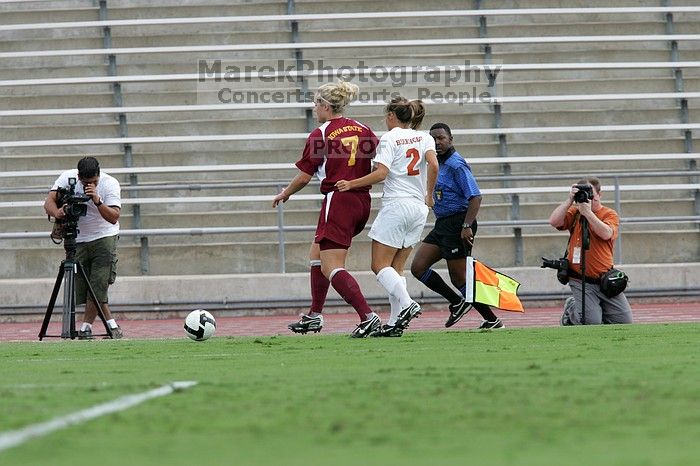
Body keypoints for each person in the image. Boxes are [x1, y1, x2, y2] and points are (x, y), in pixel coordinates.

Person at [274, 80, 382, 338]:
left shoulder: (320, 134)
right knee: (316, 254)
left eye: (316, 104)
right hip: (361, 200)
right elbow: (380, 160)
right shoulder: (363, 128)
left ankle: (368, 316)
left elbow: (304, 176)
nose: (314, 108)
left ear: (326, 106)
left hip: (339, 199)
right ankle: (314, 314)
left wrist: (285, 193)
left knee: (331, 266)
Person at [336, 97, 439, 337]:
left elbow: (381, 173)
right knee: (396, 268)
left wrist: (350, 184)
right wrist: (429, 195)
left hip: (397, 205)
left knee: (379, 265)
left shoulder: (390, 138)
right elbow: (433, 165)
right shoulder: (424, 137)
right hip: (418, 207)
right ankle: (394, 323)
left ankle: (407, 304)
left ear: (392, 116)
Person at [410, 123, 505, 329]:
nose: (437, 142)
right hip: (442, 223)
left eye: (441, 138)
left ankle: (492, 320)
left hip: (459, 221)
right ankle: (457, 302)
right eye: (433, 138)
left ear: (450, 139)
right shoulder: (435, 163)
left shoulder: (456, 164)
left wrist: (466, 225)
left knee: (459, 277)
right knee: (418, 267)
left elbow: (476, 196)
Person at [44, 156, 123, 339]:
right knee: (86, 287)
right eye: (86, 182)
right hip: (78, 238)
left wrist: (97, 200)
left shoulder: (110, 183)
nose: (90, 184)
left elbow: (113, 217)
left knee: (99, 282)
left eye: (94, 181)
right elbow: (48, 201)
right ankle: (111, 325)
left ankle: (86, 327)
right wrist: (58, 212)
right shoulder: (67, 178)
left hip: (104, 236)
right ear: (78, 176)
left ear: (99, 175)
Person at [548, 177, 633, 325]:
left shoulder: (609, 214)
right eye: (583, 193)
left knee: (624, 321)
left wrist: (588, 213)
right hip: (580, 279)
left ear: (599, 195)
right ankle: (571, 312)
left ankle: (590, 310)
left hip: (605, 278)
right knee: (591, 322)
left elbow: (606, 233)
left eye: (590, 193)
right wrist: (570, 200)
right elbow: (554, 221)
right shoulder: (574, 213)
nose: (587, 197)